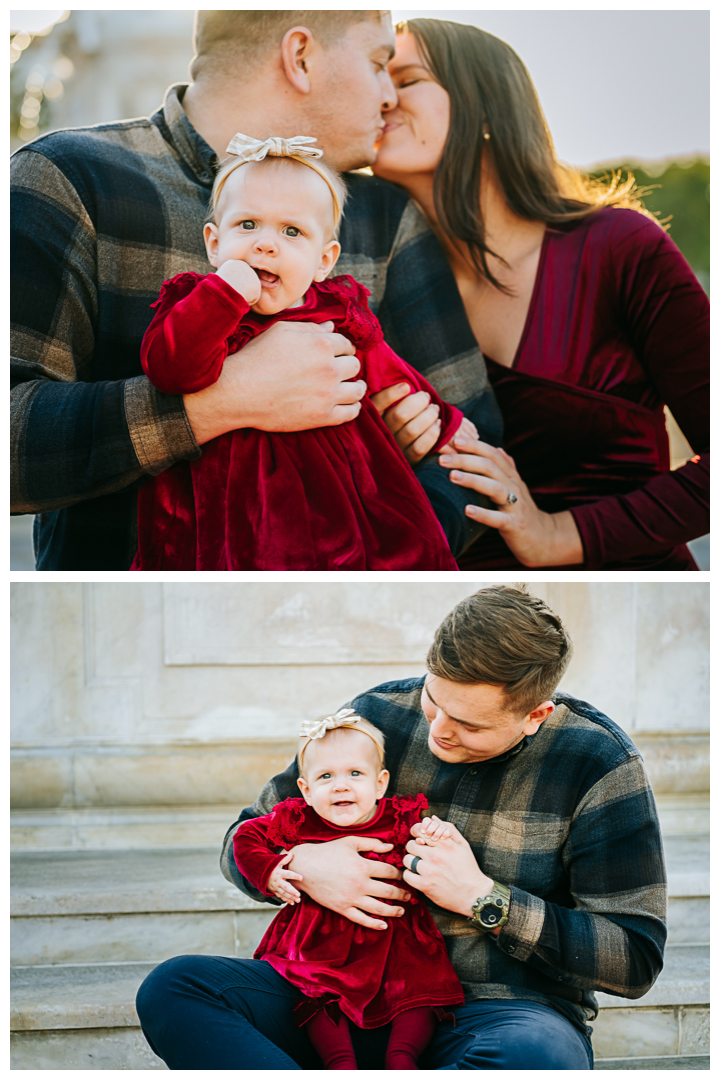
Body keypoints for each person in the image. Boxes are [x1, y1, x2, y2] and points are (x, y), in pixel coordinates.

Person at [10, 10, 501, 570]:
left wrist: (384, 546)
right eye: (378, 63)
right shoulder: (68, 178)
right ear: (301, 57)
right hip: (134, 616)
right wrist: (219, 403)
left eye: (293, 233)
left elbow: (473, 439)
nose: (388, 95)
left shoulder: (385, 218)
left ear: (326, 256)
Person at [136, 586, 667, 1070]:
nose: (437, 731)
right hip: (328, 997)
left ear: (535, 715)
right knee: (175, 988)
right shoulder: (377, 715)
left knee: (539, 1054)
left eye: (470, 724)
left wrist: (484, 897)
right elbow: (243, 837)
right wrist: (305, 866)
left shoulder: (598, 764)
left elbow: (634, 958)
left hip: (495, 1014)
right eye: (434, 701)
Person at [371, 18, 710, 570]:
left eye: (406, 79)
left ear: (484, 108)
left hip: (628, 596)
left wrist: (557, 534)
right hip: (469, 607)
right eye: (374, 77)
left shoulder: (621, 248)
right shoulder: (375, 293)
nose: (381, 96)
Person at [131, 135, 476, 570]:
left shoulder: (336, 313)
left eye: (291, 231)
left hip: (334, 496)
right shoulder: (195, 307)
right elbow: (171, 371)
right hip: (223, 507)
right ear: (214, 243)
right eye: (247, 225)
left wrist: (448, 423)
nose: (265, 244)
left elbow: (390, 374)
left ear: (324, 260)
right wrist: (225, 295)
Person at [233, 711, 464, 1069]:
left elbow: (432, 849)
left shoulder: (400, 819)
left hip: (395, 937)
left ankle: (402, 1059)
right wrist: (271, 870)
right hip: (319, 937)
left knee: (418, 990)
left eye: (355, 774)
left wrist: (436, 836)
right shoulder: (298, 821)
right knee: (317, 992)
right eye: (326, 776)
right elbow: (246, 836)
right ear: (306, 790)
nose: (341, 785)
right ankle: (339, 1064)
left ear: (380, 783)